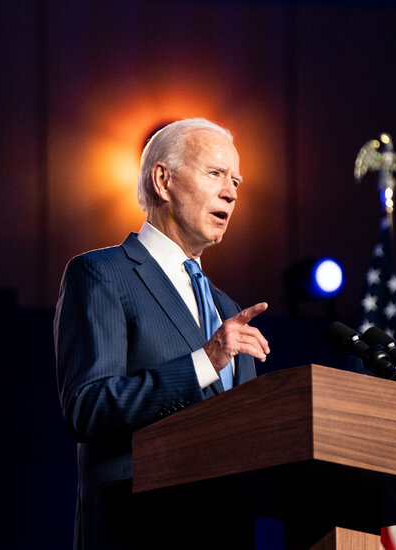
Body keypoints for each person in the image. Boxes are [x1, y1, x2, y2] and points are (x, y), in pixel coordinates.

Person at [54, 118, 270, 549]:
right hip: (138, 526)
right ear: (163, 179)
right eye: (215, 174)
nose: (231, 191)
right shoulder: (102, 274)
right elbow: (87, 406)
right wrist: (204, 362)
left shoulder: (229, 311)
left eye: (237, 181)